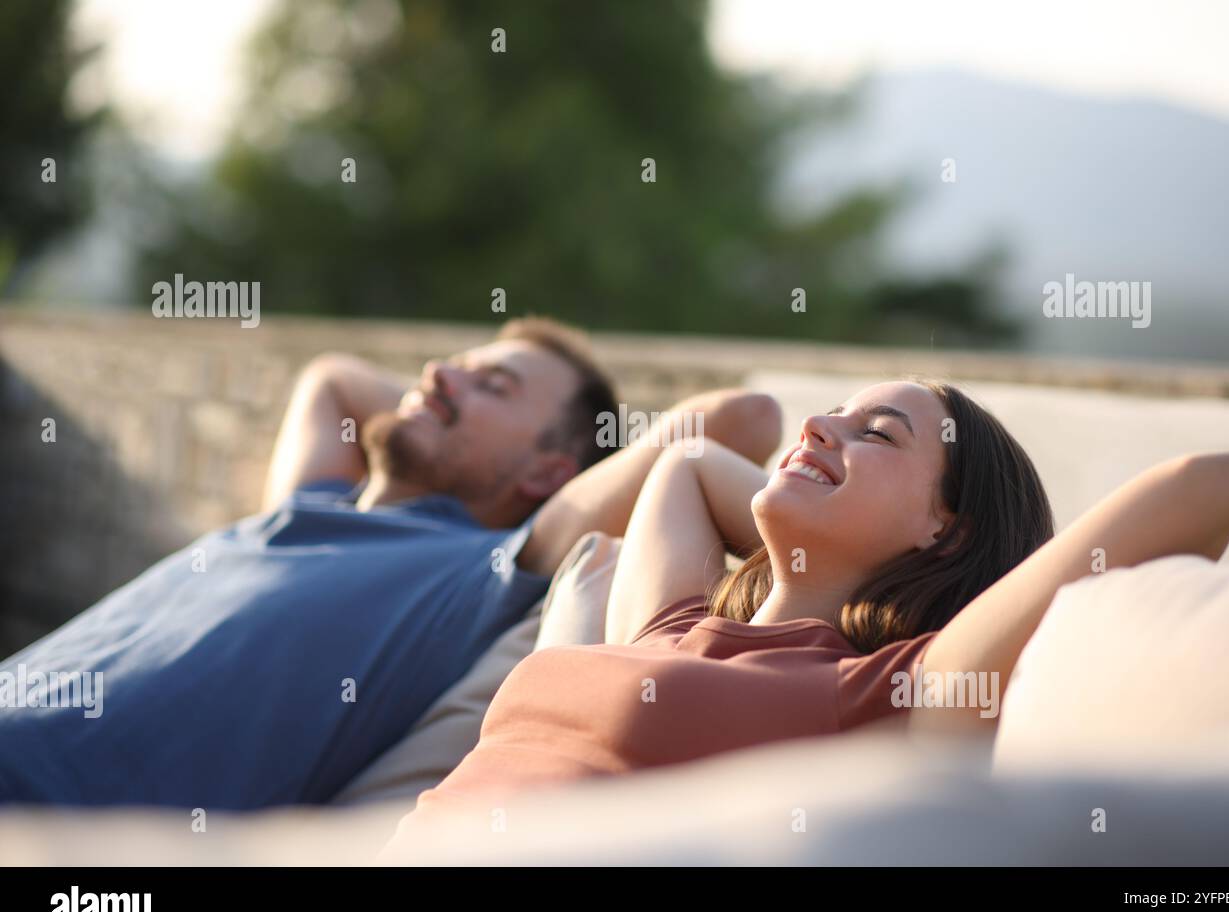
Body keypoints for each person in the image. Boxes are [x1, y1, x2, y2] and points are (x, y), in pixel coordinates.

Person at [389, 378, 1229, 844]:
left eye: (878, 433)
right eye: (828, 413)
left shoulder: (899, 689)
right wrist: (809, 491)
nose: (817, 427)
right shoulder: (667, 629)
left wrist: (976, 580)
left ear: (945, 530)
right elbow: (687, 463)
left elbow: (1210, 484)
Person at [0, 316, 782, 810]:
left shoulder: (493, 560)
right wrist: (447, 405)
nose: (440, 375)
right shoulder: (310, 506)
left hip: (51, 819)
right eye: (450, 365)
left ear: (548, 474)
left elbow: (744, 420)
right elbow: (331, 377)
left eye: (495, 386)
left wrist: (474, 433)